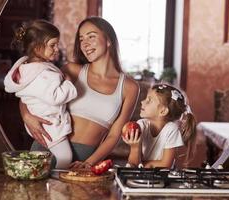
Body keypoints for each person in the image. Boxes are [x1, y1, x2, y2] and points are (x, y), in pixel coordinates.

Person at [19, 16, 140, 168]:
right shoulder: (72, 70)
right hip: (47, 148)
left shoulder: (130, 87)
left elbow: (114, 135)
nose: (85, 44)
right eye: (81, 39)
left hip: (84, 160)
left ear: (109, 40)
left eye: (91, 36)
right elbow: (30, 93)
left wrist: (88, 163)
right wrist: (26, 115)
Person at [4, 19, 77, 169]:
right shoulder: (42, 73)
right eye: (52, 45)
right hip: (48, 124)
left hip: (39, 118)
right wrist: (69, 82)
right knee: (65, 157)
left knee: (48, 159)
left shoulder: (27, 68)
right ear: (36, 47)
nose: (57, 48)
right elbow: (55, 97)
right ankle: (57, 184)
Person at [122, 83, 196, 168]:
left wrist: (141, 165)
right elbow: (133, 164)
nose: (142, 102)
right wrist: (135, 147)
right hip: (142, 178)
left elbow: (165, 165)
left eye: (149, 100)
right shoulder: (141, 125)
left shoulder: (172, 130)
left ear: (163, 111)